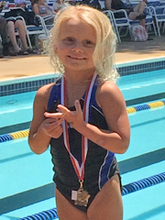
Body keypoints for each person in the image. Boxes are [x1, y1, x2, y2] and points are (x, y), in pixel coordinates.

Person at [28, 5, 130, 220]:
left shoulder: (106, 93)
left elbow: (121, 144)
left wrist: (84, 128)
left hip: (102, 185)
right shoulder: (46, 96)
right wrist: (45, 133)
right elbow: (36, 147)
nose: (77, 48)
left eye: (88, 43)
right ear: (55, 45)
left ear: (102, 49)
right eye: (69, 40)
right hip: (64, 188)